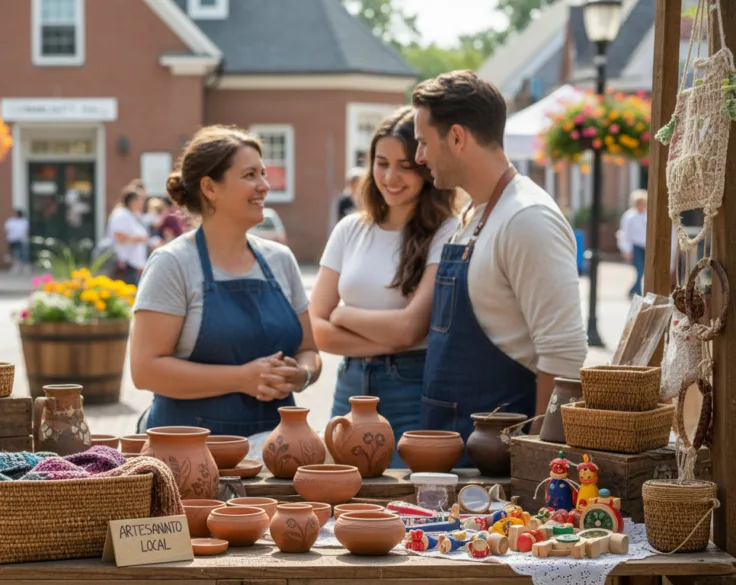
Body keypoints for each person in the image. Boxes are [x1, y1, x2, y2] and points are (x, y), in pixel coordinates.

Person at [411, 71, 586, 451]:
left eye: (424, 143)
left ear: (457, 137)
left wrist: (535, 463)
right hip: (453, 455)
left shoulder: (527, 218)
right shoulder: (472, 215)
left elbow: (565, 358)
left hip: (501, 472)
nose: (418, 157)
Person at [129, 125, 322, 436]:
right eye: (250, 176)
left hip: (274, 450)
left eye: (264, 174)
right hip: (186, 452)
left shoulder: (281, 260)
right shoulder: (173, 263)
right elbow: (145, 370)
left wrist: (301, 375)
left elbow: (309, 350)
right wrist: (241, 378)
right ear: (210, 187)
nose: (264, 186)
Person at [310, 107, 458, 468]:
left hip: (409, 385)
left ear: (425, 165)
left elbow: (411, 328)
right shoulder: (350, 229)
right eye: (381, 163)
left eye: (405, 165)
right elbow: (316, 328)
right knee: (341, 498)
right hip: (349, 383)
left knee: (403, 503)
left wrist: (343, 314)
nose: (391, 177)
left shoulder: (446, 230)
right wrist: (389, 338)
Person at [106, 190, 149, 285]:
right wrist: (139, 239)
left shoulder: (133, 215)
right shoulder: (121, 214)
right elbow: (119, 236)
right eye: (140, 200)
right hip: (124, 264)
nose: (142, 203)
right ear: (133, 201)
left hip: (134, 265)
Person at [617, 189, 648, 297]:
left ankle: (635, 291)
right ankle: (637, 292)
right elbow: (624, 234)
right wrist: (626, 250)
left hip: (646, 247)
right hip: (636, 247)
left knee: (645, 271)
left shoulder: (647, 215)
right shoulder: (629, 216)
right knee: (640, 270)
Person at [4, 208, 30, 274]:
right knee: (13, 253)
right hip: (12, 239)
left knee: (22, 253)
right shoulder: (10, 221)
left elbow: (25, 230)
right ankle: (15, 266)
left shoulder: (23, 221)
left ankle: (23, 266)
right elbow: (6, 229)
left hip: (20, 240)